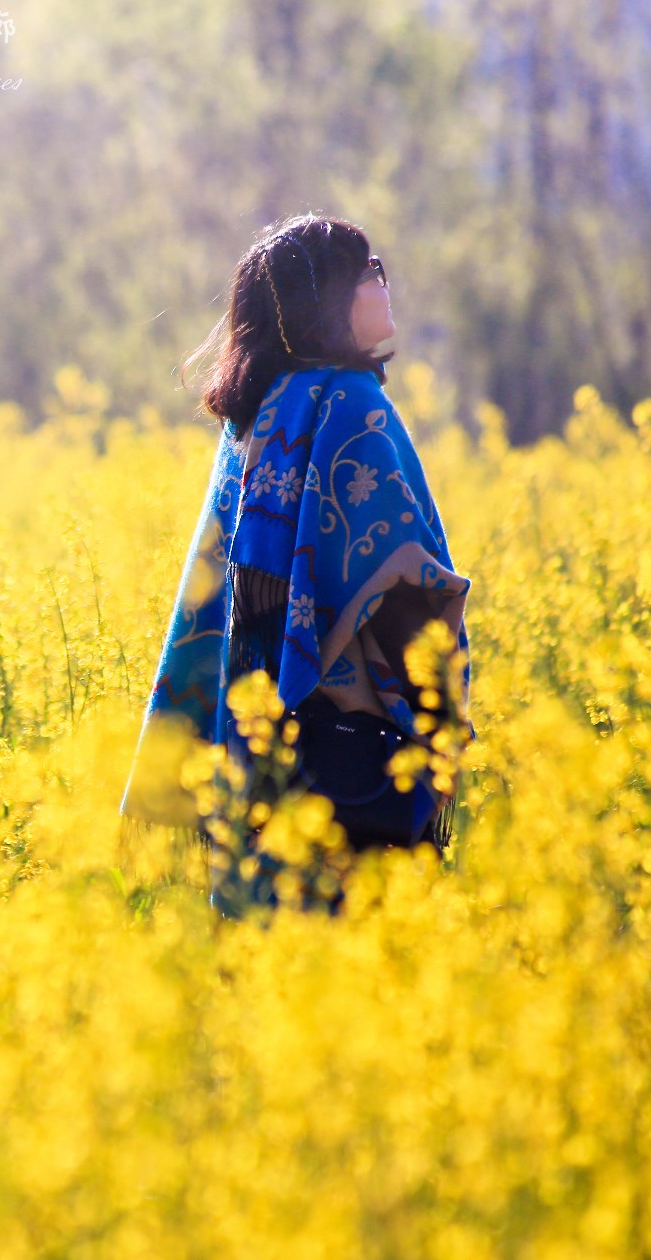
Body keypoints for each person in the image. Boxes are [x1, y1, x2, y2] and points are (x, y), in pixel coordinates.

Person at [118, 214, 473, 916]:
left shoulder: (254, 417)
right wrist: (442, 719)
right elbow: (405, 586)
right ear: (329, 298)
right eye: (369, 270)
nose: (382, 284)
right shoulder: (352, 405)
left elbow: (218, 601)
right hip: (354, 766)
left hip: (259, 755)